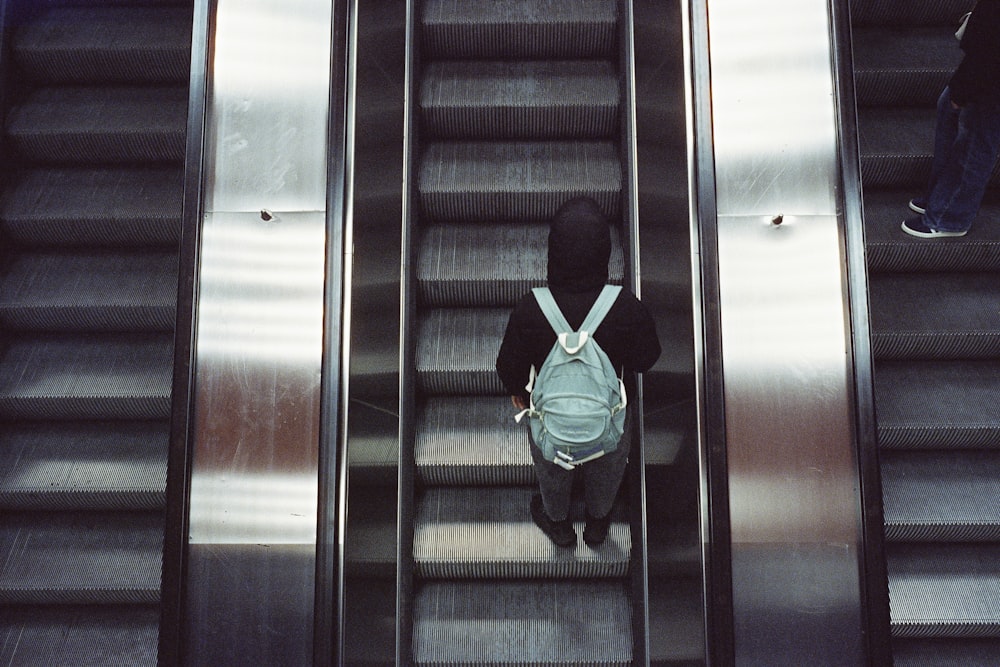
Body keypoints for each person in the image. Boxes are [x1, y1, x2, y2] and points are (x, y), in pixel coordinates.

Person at [495, 196, 661, 548]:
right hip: (609, 419)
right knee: (608, 470)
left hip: (551, 421)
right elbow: (647, 359)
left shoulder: (531, 307)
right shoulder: (625, 306)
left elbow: (508, 368)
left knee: (551, 472)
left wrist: (520, 393)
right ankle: (598, 524)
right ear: (604, 252)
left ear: (553, 253)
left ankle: (558, 524)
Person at [903, 1, 1000, 238]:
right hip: (985, 62)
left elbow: (992, 50)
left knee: (976, 142)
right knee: (952, 113)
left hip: (990, 72)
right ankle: (940, 198)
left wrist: (963, 89)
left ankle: (949, 216)